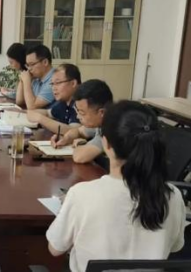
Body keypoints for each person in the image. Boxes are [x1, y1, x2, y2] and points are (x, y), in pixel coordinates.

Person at [46, 101, 186, 272]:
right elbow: (175, 246)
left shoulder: (81, 195)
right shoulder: (173, 196)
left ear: (106, 144)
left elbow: (55, 248)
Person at [50, 79, 113, 164]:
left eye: (82, 113)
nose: (78, 116)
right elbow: (78, 131)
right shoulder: (101, 121)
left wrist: (81, 144)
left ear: (101, 112)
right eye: (77, 111)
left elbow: (79, 157)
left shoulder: (111, 128)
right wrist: (66, 138)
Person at [27, 63, 81, 134]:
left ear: (73, 83)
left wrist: (40, 118)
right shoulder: (64, 101)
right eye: (52, 84)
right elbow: (48, 113)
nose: (53, 88)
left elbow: (74, 131)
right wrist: (29, 113)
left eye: (57, 83)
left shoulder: (81, 101)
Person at [16, 44, 55, 110]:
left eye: (32, 64)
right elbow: (19, 101)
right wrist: (22, 80)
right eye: (27, 65)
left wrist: (26, 81)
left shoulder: (55, 80)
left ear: (45, 62)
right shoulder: (37, 78)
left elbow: (32, 107)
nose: (29, 69)